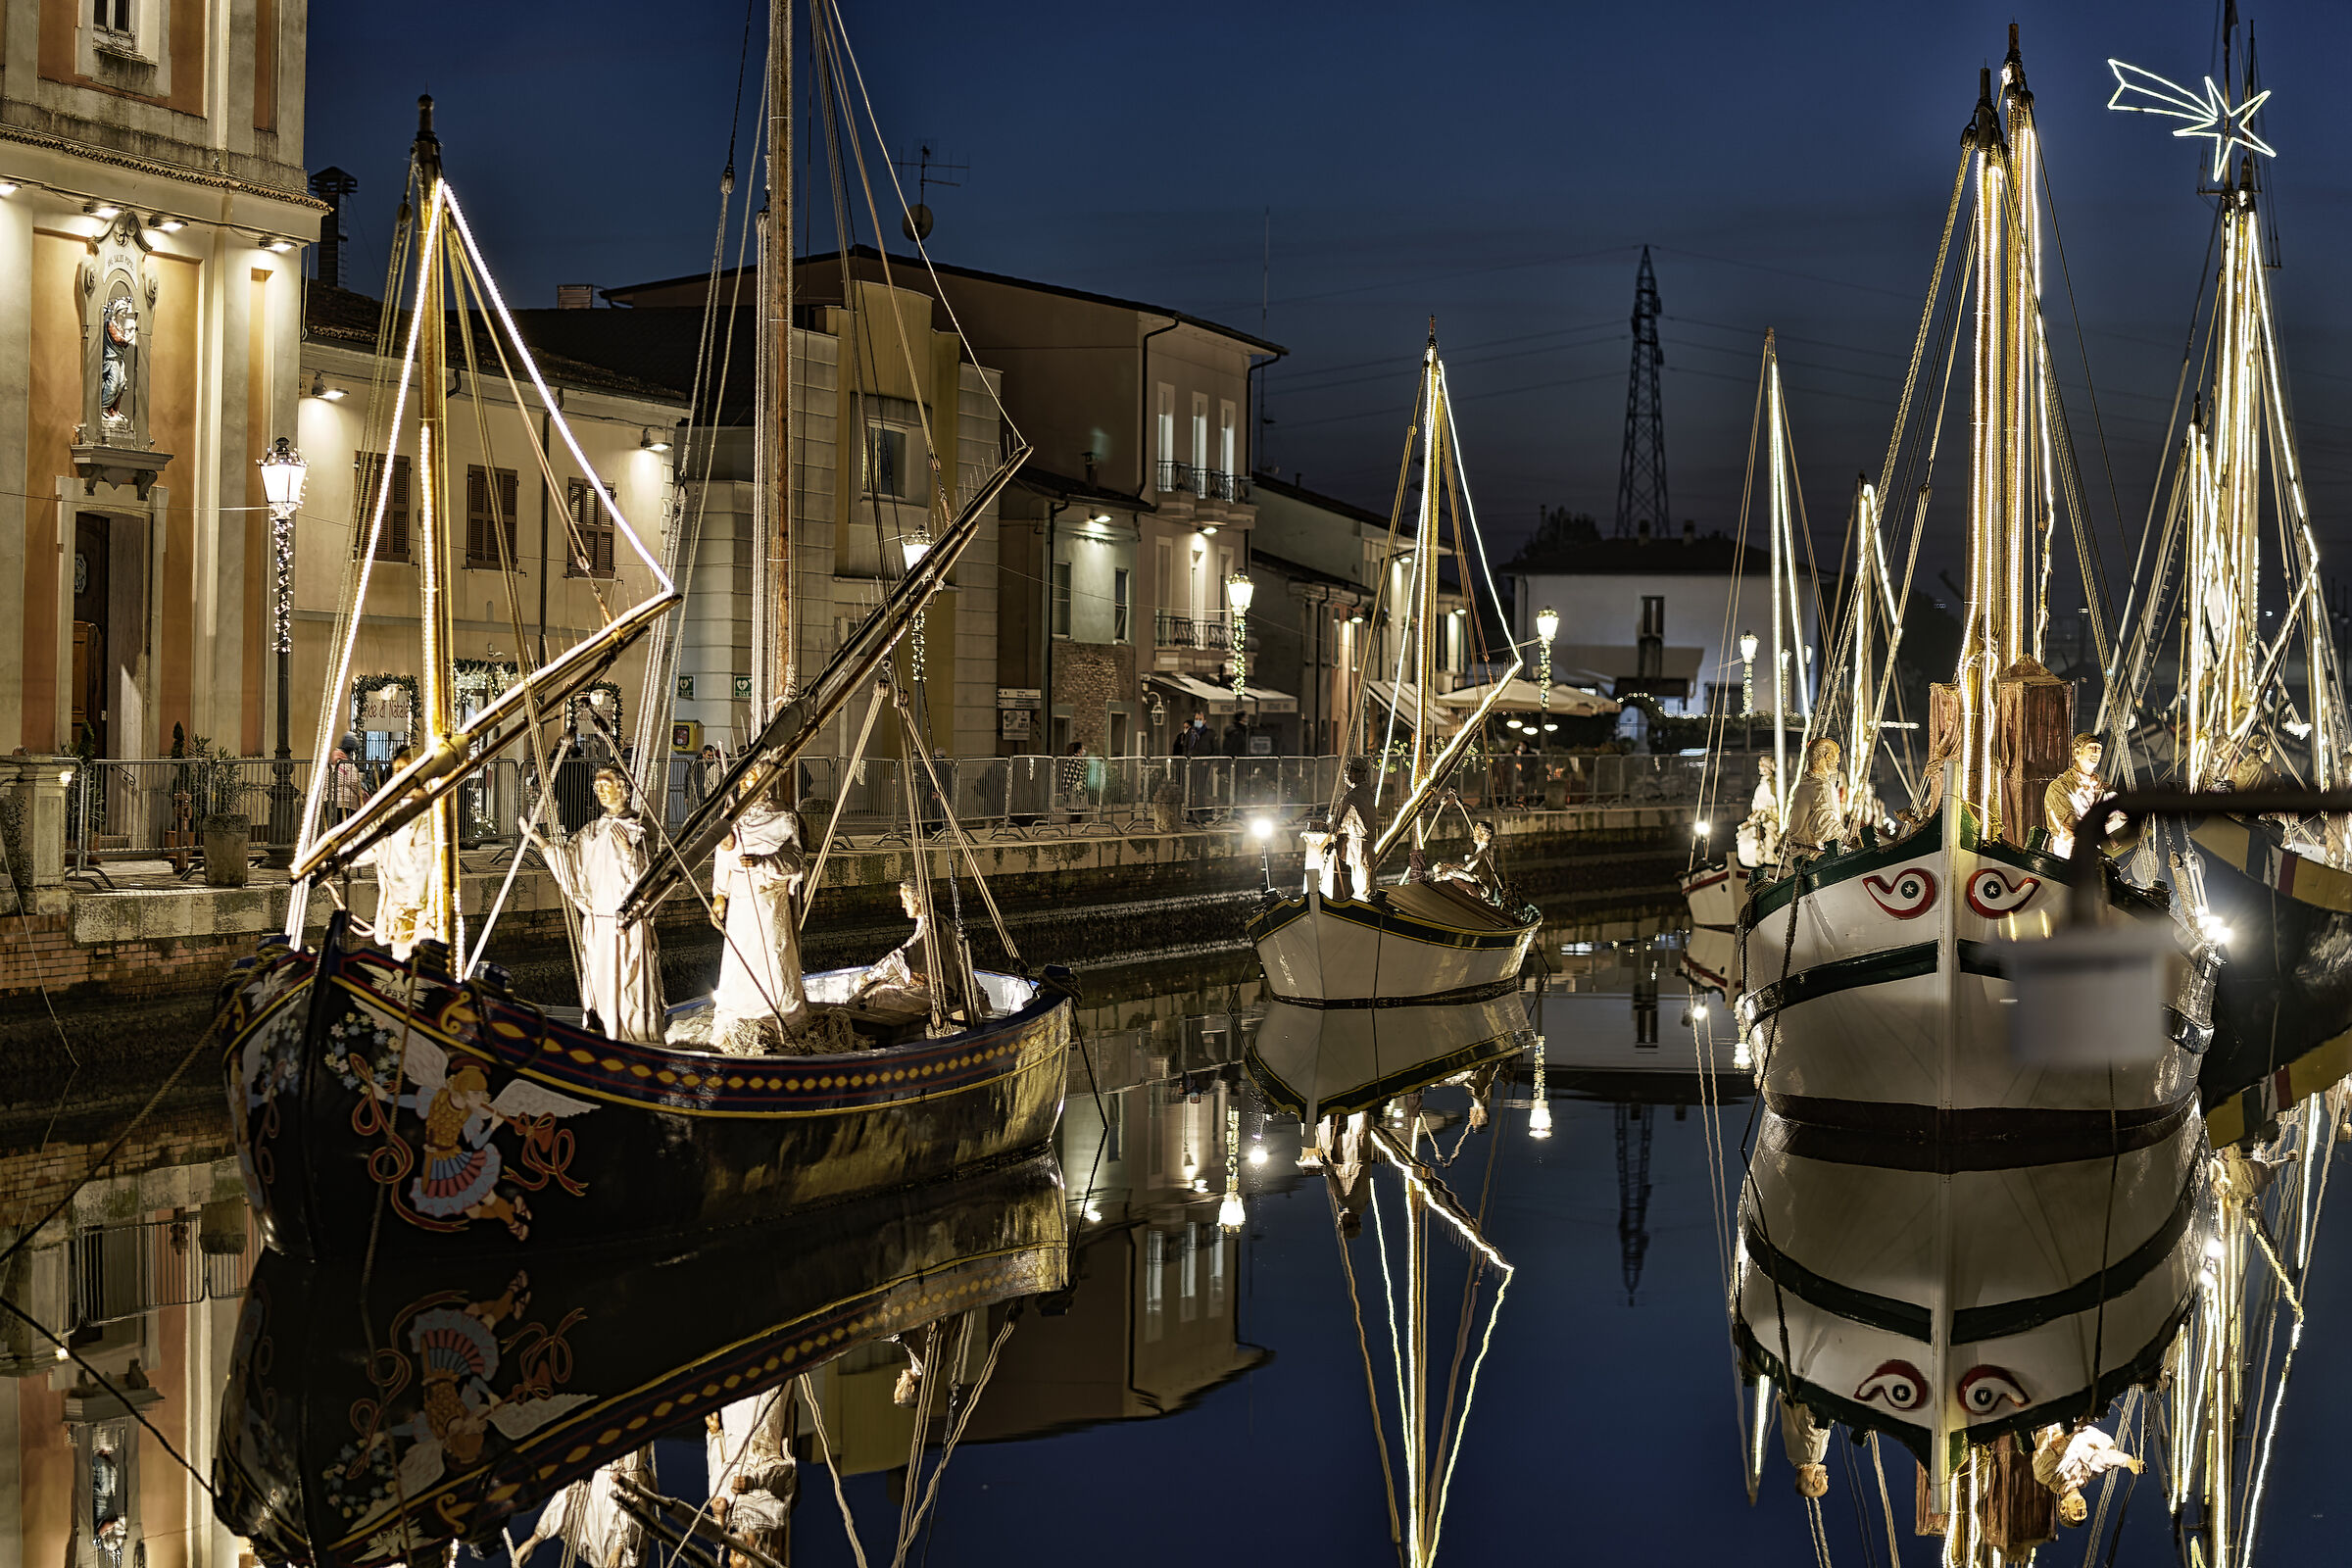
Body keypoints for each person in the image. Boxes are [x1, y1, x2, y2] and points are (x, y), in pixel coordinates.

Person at [521, 765, 664, 1044]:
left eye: (605, 784)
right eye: (596, 785)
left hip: (626, 922)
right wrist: (541, 842)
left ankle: (634, 1038)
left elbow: (650, 878)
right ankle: (601, 1035)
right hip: (598, 922)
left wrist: (629, 852)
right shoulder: (590, 832)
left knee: (628, 985)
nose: (599, 790)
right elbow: (570, 865)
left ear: (622, 788)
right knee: (599, 984)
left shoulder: (639, 827)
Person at [710, 764, 810, 1053]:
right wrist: (720, 895)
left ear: (766, 780)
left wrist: (764, 862)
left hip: (768, 899)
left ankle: (779, 1014)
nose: (745, 781)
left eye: (752, 776)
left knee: (772, 954)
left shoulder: (782, 816)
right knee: (738, 958)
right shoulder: (732, 816)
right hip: (740, 900)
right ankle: (738, 1011)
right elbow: (723, 857)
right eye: (743, 777)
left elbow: (795, 861)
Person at [847, 878, 962, 1018]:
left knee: (870, 1000)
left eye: (905, 900)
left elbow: (902, 957)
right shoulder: (940, 922)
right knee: (887, 984)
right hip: (942, 988)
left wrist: (869, 976)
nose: (903, 905)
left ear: (917, 899)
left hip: (936, 994)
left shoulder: (929, 929)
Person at [364, 750, 435, 960]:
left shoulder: (427, 814)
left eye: (406, 769)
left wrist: (413, 910)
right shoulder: (390, 812)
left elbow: (425, 863)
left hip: (416, 914)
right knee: (400, 966)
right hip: (395, 907)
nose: (400, 774)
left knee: (416, 968)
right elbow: (371, 846)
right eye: (397, 770)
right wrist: (336, 858)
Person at [2031, 1422, 2141, 1527]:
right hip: (2080, 1420)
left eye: (2076, 1514)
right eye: (2083, 1512)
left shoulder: (2046, 1475)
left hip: (2055, 1420)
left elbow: (2057, 1445)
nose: (2080, 1509)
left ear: (2063, 1508)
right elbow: (2105, 1458)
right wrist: (2128, 1462)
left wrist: (2075, 1425)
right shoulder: (2087, 1474)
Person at [1784, 737, 1846, 860]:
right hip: (1812, 860)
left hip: (1795, 858)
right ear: (1828, 756)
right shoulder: (1821, 787)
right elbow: (1824, 825)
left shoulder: (1803, 784)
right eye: (1837, 754)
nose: (1838, 760)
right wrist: (1848, 839)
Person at [2044, 731, 2105, 858]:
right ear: (2077, 753)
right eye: (2091, 747)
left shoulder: (2101, 790)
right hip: (2064, 855)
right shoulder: (2059, 787)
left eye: (2098, 748)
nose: (2095, 752)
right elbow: (2070, 821)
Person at [1334, 758, 1380, 900]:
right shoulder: (1368, 793)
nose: (1346, 777)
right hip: (1362, 844)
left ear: (1357, 774)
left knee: (1362, 884)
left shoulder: (1353, 796)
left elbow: (1336, 819)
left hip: (1359, 844)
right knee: (1365, 879)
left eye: (1348, 773)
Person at [1432, 820, 1500, 902]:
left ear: (1485, 835)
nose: (1474, 834)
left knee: (1452, 881)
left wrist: (1449, 872)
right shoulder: (1482, 849)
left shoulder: (1484, 851)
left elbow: (1469, 872)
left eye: (1477, 831)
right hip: (1477, 884)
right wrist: (1452, 868)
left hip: (1480, 888)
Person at [1779, 1395, 1831, 1499]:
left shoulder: (1813, 1457)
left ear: (1816, 1482)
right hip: (1791, 1395)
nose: (1827, 1476)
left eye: (1825, 1481)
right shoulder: (1793, 1458)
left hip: (1809, 1395)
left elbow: (1814, 1425)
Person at [1737, 757, 1779, 868]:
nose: (1759, 768)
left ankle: (1770, 858)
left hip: (1769, 817)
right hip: (1762, 817)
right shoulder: (1764, 783)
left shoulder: (1769, 784)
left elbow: (1767, 803)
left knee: (1770, 837)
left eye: (1761, 766)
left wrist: (1756, 816)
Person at [685, 743, 724, 811]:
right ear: (703, 754)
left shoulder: (715, 765)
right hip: (696, 795)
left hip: (709, 795)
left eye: (712, 755)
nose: (711, 758)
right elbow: (688, 780)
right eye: (709, 755)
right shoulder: (695, 764)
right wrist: (686, 795)